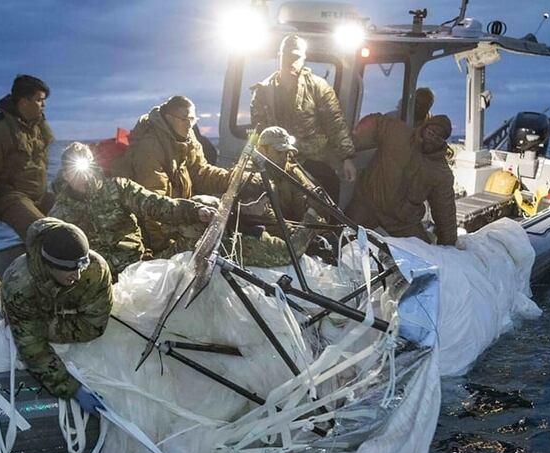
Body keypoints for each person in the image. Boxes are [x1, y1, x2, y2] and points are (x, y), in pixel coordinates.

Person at [50, 142, 217, 276]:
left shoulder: (119, 188)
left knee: (197, 230)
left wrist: (194, 211)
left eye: (86, 170)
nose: (84, 178)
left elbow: (156, 204)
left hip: (137, 268)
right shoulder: (60, 212)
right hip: (98, 281)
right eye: (74, 172)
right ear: (65, 175)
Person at [0, 218, 112, 413]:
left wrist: (51, 324)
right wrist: (72, 389)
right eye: (69, 270)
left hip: (51, 316)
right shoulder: (19, 286)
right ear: (49, 265)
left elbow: (95, 325)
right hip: (27, 313)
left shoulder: (95, 269)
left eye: (80, 267)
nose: (77, 276)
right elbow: (33, 348)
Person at [113, 95, 235, 253]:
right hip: (154, 230)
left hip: (176, 215)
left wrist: (232, 179)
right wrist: (164, 250)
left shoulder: (187, 138)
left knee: (213, 209)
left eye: (193, 119)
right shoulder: (149, 147)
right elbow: (153, 205)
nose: (190, 124)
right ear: (169, 118)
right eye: (185, 119)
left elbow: (201, 172)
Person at [250, 34, 356, 200]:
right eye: (287, 56)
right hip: (276, 161)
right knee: (257, 193)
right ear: (280, 56)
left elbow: (335, 124)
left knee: (327, 188)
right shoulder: (263, 92)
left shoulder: (318, 87)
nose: (291, 61)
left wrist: (347, 158)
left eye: (296, 57)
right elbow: (258, 132)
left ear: (303, 58)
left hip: (312, 160)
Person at [346, 113, 458, 245]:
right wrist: (349, 148)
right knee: (339, 236)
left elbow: (445, 211)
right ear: (424, 128)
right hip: (368, 202)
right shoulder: (398, 133)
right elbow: (375, 121)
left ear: (443, 142)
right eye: (431, 132)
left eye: (439, 138)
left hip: (401, 221)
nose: (433, 139)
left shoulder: (441, 172)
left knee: (425, 256)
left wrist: (449, 244)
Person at [0, 74, 55, 237]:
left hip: (39, 196)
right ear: (23, 102)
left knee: (76, 218)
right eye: (39, 100)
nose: (43, 105)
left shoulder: (38, 127)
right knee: (46, 234)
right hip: (10, 197)